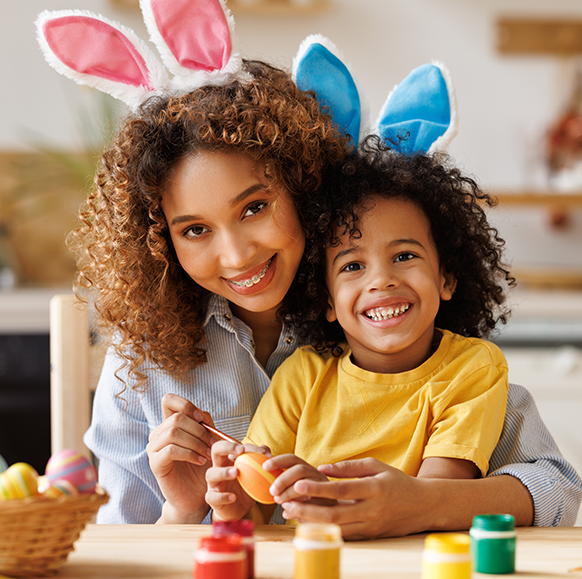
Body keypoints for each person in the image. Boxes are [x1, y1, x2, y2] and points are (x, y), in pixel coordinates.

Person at [36, 0, 582, 534]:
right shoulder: (145, 359)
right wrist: (183, 510)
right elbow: (119, 546)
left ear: (300, 188)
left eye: (254, 208)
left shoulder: (382, 318)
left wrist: (424, 502)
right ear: (161, 242)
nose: (236, 253)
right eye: (195, 229)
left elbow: (556, 488)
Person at [205, 137, 513, 533]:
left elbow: (433, 497)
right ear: (328, 300)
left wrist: (329, 497)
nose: (382, 280)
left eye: (404, 256)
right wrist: (233, 503)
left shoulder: (472, 367)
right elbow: (257, 509)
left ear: (446, 277)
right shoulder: (302, 376)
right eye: (352, 266)